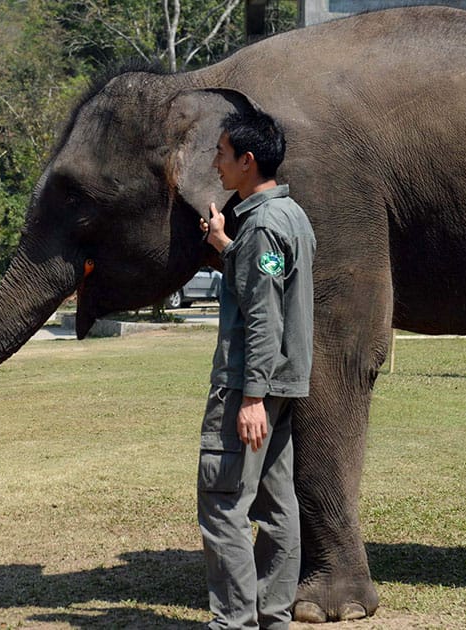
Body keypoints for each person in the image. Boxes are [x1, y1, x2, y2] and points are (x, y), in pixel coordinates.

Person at [196, 110, 315, 629]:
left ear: (247, 161)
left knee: (224, 505)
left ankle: (235, 624)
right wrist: (227, 245)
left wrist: (250, 399)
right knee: (276, 504)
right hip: (284, 384)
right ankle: (273, 619)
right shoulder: (290, 216)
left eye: (221, 153)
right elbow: (264, 288)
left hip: (253, 386)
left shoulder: (264, 226)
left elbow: (263, 317)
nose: (216, 163)